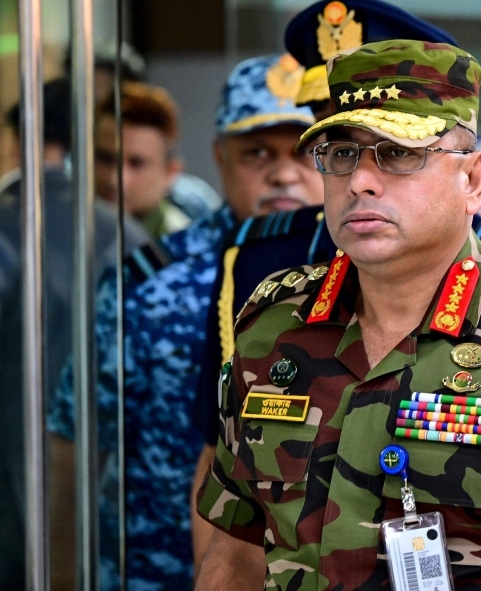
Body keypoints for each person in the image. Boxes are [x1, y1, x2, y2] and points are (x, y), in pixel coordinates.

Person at [194, 39, 481, 590]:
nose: (361, 181)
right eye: (342, 154)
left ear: (473, 180)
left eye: (397, 153)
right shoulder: (273, 329)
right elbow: (238, 551)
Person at [46, 54, 321, 590]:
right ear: (219, 157)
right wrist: (59, 573)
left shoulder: (369, 276)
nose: (284, 172)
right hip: (157, 571)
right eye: (257, 153)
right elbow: (75, 444)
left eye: (305, 152)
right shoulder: (149, 284)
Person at [0, 79, 149, 589]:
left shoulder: (8, 224)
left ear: (14, 139)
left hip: (15, 465)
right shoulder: (127, 231)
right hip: (115, 468)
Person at [94, 81, 191, 236]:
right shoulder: (62, 232)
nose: (115, 179)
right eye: (105, 159)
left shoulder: (184, 251)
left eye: (136, 164)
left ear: (170, 173)